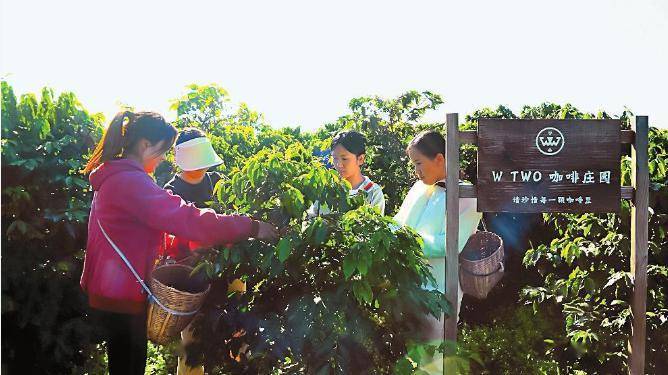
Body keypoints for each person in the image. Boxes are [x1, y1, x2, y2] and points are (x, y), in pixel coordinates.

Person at [80, 111, 278, 375]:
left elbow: (148, 232)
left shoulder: (118, 178)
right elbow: (189, 218)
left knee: (124, 362)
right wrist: (250, 226)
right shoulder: (130, 182)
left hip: (114, 291)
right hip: (123, 293)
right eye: (162, 150)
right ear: (145, 145)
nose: (163, 158)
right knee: (128, 365)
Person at [393, 130, 482, 374]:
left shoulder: (467, 197)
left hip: (439, 290)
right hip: (408, 286)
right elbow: (397, 223)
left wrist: (408, 241)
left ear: (440, 159)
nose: (416, 171)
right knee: (410, 356)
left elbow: (450, 245)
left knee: (434, 358)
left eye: (419, 163)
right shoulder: (419, 189)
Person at [308, 130, 385, 216]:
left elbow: (375, 226)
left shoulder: (372, 191)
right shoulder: (326, 189)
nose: (338, 164)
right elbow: (310, 220)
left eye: (344, 159)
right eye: (335, 158)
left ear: (360, 159)